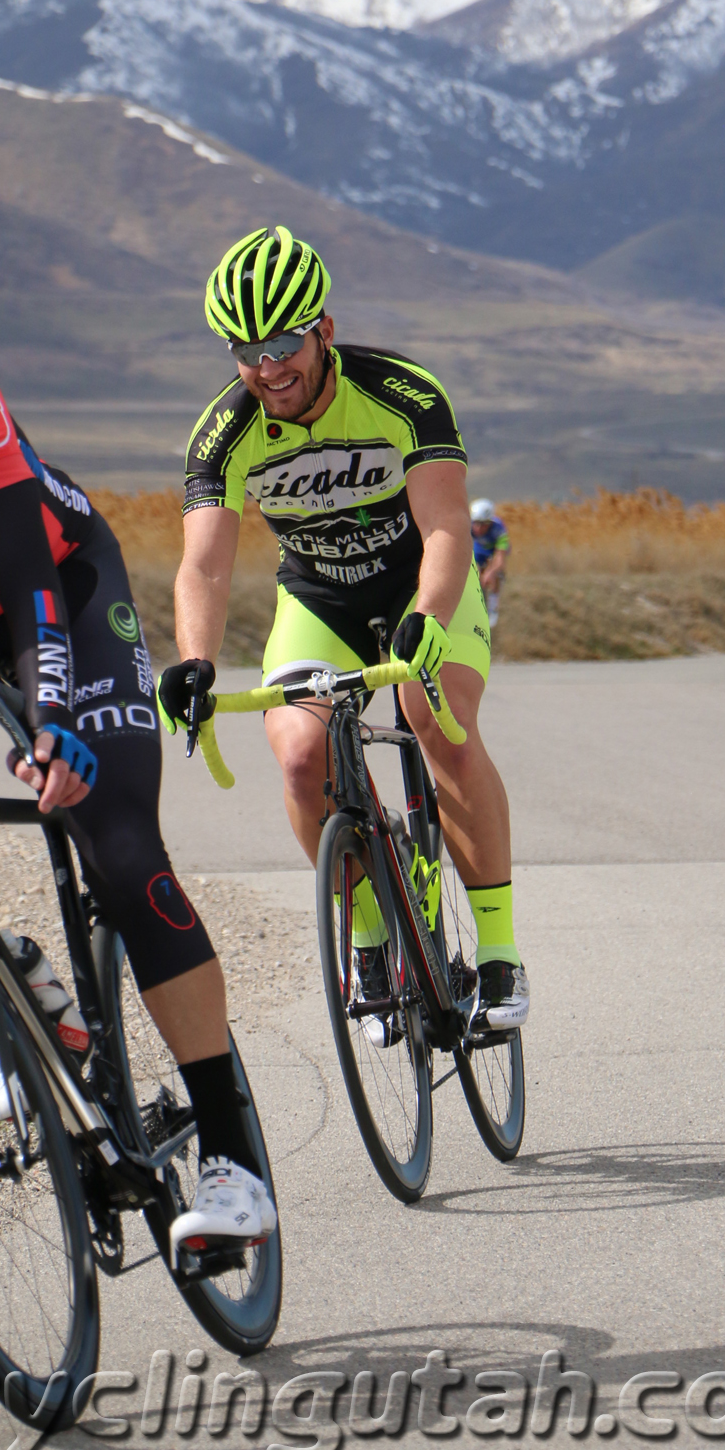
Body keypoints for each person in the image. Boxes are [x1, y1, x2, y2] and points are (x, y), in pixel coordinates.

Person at [0, 305, 273, 1262]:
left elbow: (30, 577)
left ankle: (233, 1163)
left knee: (116, 845)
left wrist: (52, 723)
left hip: (61, 597)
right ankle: (16, 982)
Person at [158, 226, 529, 1029]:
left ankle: (498, 956)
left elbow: (444, 528)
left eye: (285, 342)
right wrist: (194, 660)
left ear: (323, 329)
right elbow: (205, 567)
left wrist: (427, 616)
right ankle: (367, 941)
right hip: (319, 601)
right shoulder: (224, 434)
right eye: (246, 349)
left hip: (420, 588)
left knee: (441, 725)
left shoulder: (403, 390)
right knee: (299, 757)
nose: (268, 366)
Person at [470, 499, 510, 628]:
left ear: (490, 522)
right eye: (476, 523)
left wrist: (491, 572)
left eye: (483, 524)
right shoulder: (467, 525)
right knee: (477, 576)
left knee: (494, 576)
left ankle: (493, 608)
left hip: (494, 549)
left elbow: (500, 557)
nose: (479, 528)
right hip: (480, 549)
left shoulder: (499, 529)